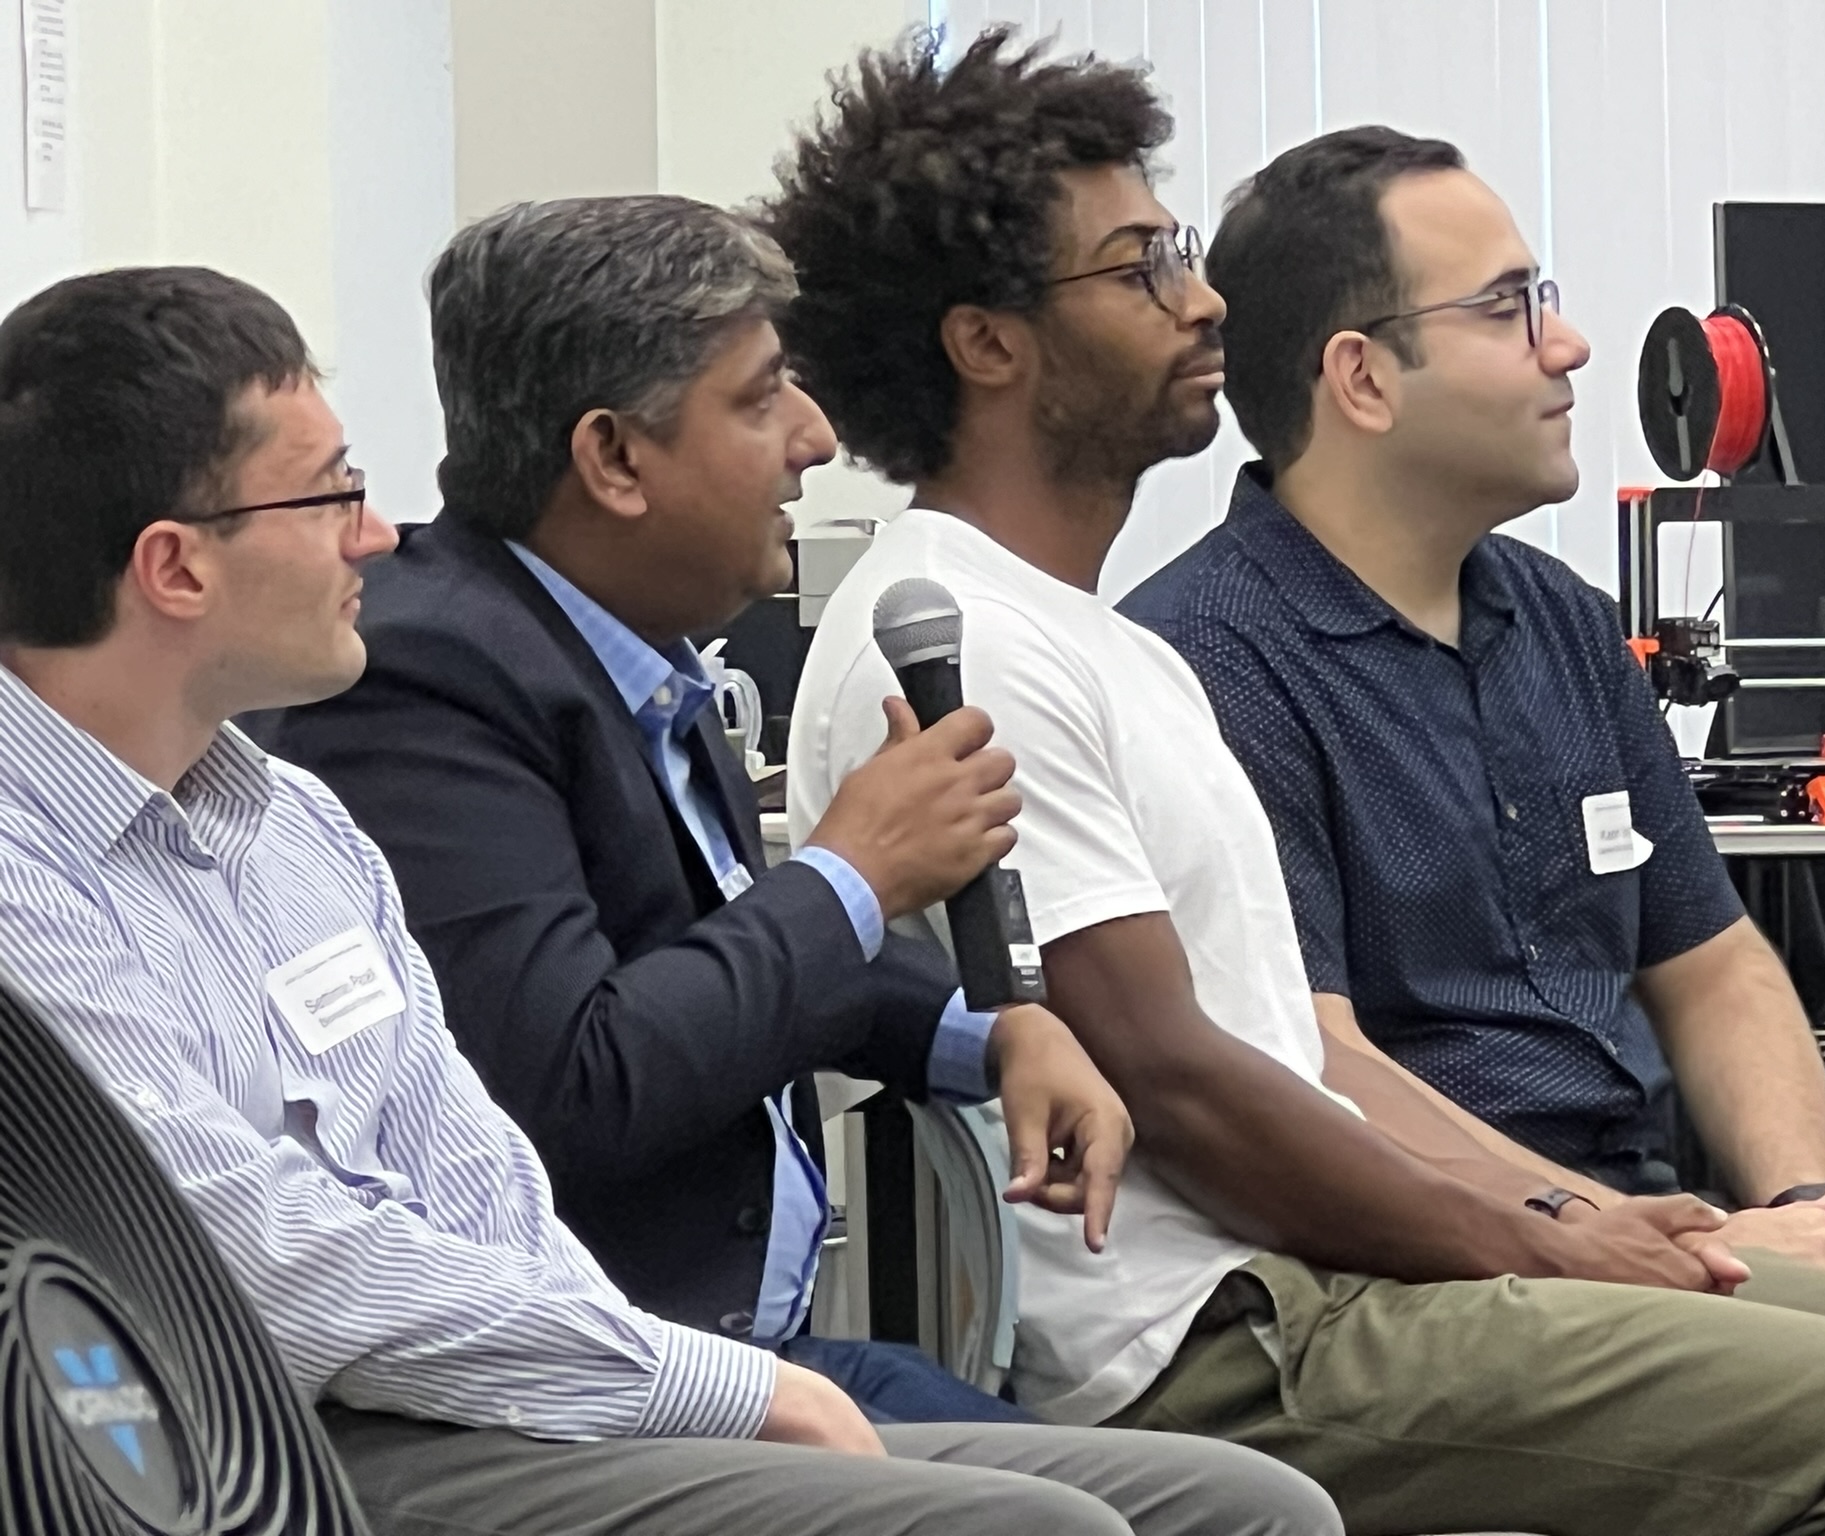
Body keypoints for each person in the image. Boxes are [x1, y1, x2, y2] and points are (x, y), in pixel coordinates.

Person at [769, 27, 1825, 1536]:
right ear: (988, 344)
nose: (1203, 302)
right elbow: (1184, 1088)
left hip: (1346, 1261)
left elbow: (1312, 1053)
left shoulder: (1106, 644)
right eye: (1140, 270)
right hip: (1232, 1320)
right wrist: (1558, 1234)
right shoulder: (972, 636)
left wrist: (1665, 1214)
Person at [0, 265, 1342, 1536]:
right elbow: (257, 1261)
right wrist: (709, 1390)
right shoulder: (39, 870)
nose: (377, 531)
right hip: (260, 1442)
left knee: (1244, 1510)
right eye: (331, 494)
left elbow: (481, 1178)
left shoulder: (290, 823)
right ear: (177, 568)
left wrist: (651, 1386)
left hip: (534, 1384)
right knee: (1033, 1527)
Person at [1117, 124, 1825, 1331]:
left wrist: (1806, 1212)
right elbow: (1318, 1062)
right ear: (1362, 379)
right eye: (1506, 308)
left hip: (1653, 1221)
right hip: (1439, 1270)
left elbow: (1713, 966)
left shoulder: (1562, 622)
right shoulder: (1206, 662)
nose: (1567, 345)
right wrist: (1645, 1235)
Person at [253, 193, 1142, 1427]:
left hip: (777, 1354)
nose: (815, 438)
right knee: (1154, 1508)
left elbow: (725, 951)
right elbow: (572, 1084)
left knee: (1223, 1502)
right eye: (762, 396)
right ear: (614, 458)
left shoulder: (633, 652)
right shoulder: (427, 681)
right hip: (620, 1391)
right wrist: (852, 876)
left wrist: (988, 1031)